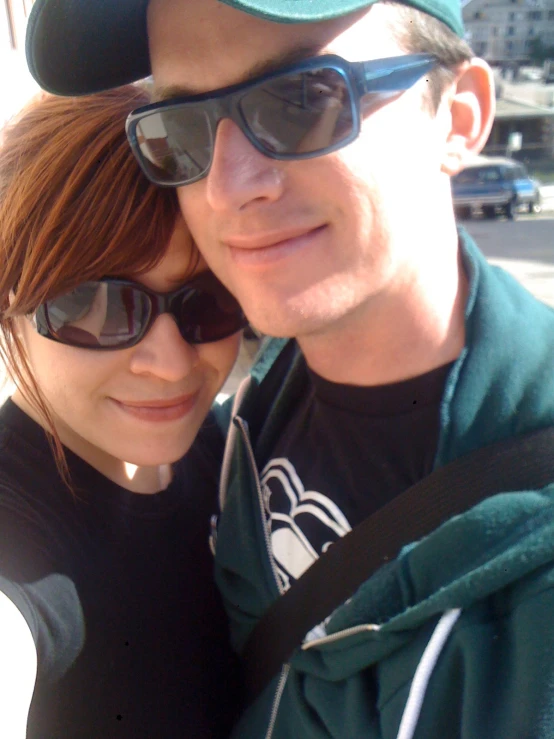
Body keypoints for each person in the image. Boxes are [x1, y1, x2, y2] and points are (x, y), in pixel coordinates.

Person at [25, 0, 554, 736]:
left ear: (457, 116)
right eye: (185, 127)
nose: (228, 187)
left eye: (303, 99)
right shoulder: (235, 423)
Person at [0, 86, 246, 738]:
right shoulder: (17, 525)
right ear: (10, 303)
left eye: (207, 299)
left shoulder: (230, 449)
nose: (169, 364)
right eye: (97, 306)